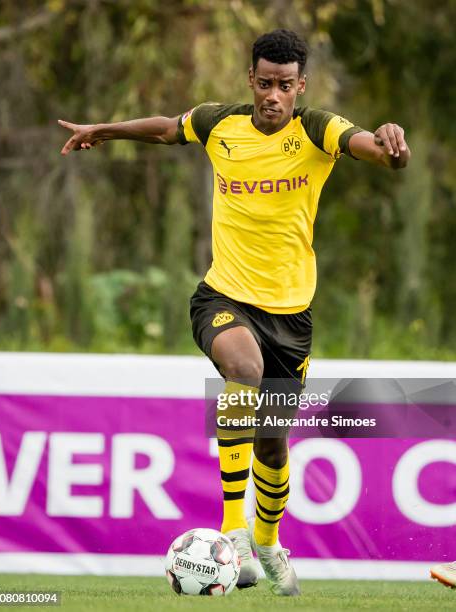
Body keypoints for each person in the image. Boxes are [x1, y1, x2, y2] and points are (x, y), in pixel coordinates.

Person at [59, 29, 410, 596]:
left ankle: (269, 543)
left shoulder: (318, 129)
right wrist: (104, 129)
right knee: (242, 371)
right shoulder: (221, 124)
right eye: (265, 83)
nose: (274, 95)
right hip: (222, 297)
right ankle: (234, 533)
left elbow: (373, 148)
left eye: (286, 86)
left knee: (273, 444)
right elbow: (169, 128)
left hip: (291, 319)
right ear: (251, 79)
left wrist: (394, 148)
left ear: (301, 87)